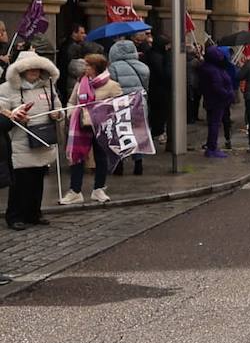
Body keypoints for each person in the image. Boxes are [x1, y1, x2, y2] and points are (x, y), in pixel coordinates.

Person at [0, 50, 62, 230]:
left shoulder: (47, 86)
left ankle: (34, 213)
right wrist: (15, 115)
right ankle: (15, 216)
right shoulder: (6, 88)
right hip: (20, 141)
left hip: (43, 138)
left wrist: (58, 114)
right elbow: (2, 111)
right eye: (31, 69)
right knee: (20, 181)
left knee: (37, 178)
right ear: (21, 71)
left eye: (37, 68)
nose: (35, 72)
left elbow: (58, 107)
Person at [60, 53, 122, 205]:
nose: (85, 67)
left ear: (97, 67)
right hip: (80, 125)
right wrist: (71, 114)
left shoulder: (112, 85)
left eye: (89, 65)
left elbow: (118, 106)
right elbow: (72, 101)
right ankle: (75, 191)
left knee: (101, 157)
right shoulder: (81, 82)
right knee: (77, 157)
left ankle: (98, 189)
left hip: (100, 126)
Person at [107, 38, 150, 173]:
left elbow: (112, 87)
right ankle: (138, 163)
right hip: (139, 102)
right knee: (138, 131)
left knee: (121, 132)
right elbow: (145, 86)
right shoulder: (142, 67)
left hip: (121, 103)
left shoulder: (113, 67)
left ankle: (119, 164)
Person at [197, 47, 234, 158]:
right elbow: (217, 86)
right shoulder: (213, 70)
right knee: (214, 124)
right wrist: (227, 94)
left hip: (211, 99)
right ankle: (212, 148)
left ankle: (211, 146)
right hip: (217, 101)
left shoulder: (208, 68)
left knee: (213, 124)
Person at [57, 25, 88, 99]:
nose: (84, 35)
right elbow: (76, 67)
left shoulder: (67, 44)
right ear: (74, 33)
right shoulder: (73, 47)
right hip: (70, 81)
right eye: (82, 33)